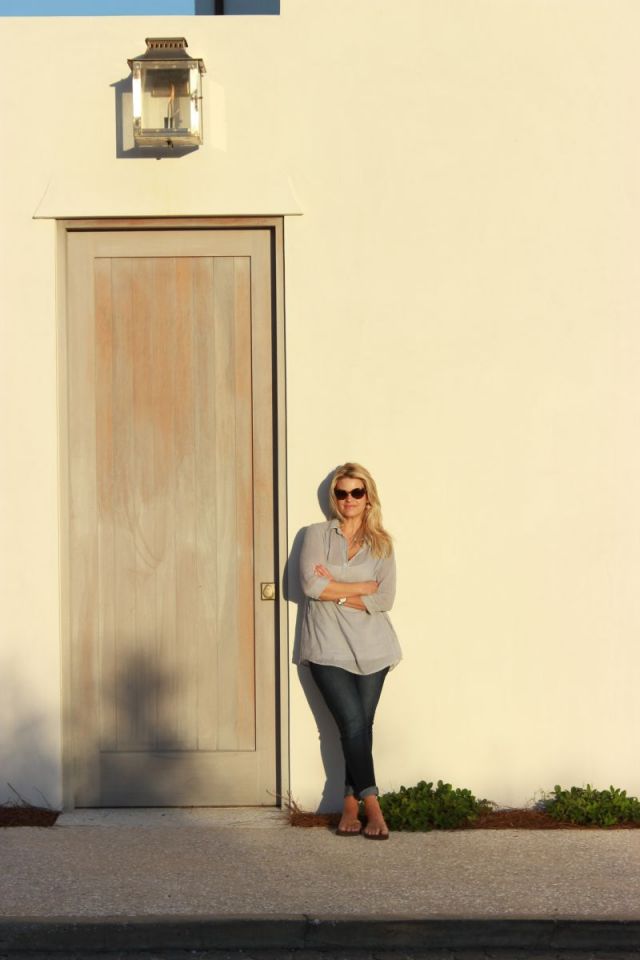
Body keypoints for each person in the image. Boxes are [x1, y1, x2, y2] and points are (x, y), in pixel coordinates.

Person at [298, 462, 402, 839]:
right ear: (334, 498)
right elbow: (311, 587)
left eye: (356, 492)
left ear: (368, 496)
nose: (349, 499)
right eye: (341, 493)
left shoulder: (382, 544)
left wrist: (336, 589)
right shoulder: (314, 535)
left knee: (357, 728)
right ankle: (373, 806)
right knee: (354, 725)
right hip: (326, 647)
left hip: (375, 648)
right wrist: (361, 588)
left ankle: (349, 804)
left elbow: (386, 597)